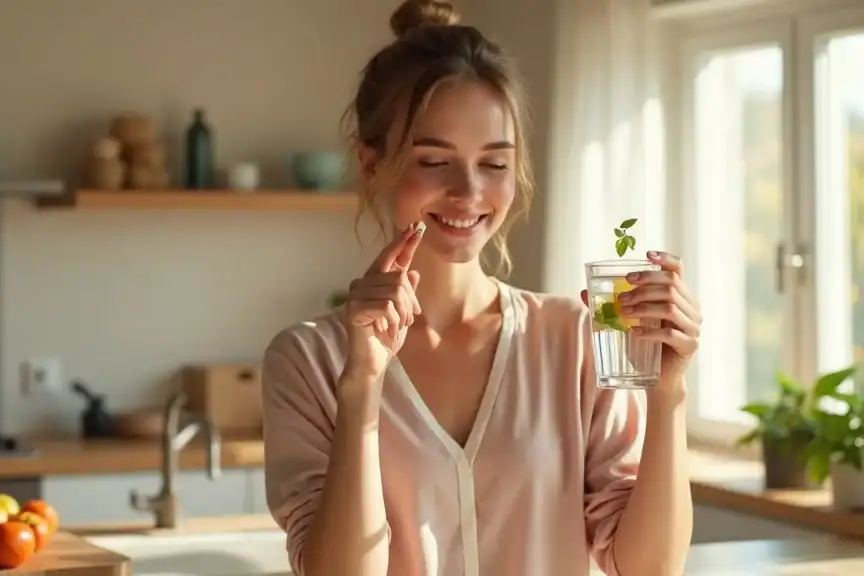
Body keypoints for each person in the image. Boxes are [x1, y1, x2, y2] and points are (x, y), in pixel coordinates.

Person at [260, 1, 700, 574]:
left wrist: (667, 395)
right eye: (435, 161)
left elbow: (648, 568)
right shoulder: (309, 362)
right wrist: (363, 385)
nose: (469, 192)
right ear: (372, 165)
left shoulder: (574, 339)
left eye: (494, 164)